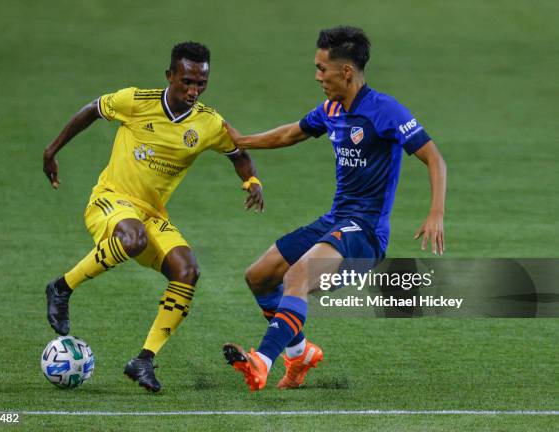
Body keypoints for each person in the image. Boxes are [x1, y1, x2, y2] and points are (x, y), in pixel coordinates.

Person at [222, 26, 446, 391]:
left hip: (366, 234)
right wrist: (242, 141)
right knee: (259, 275)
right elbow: (290, 133)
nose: (317, 76)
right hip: (336, 221)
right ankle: (299, 354)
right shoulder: (331, 109)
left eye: (322, 68)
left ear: (345, 71)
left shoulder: (385, 111)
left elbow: (434, 158)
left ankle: (261, 361)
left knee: (297, 276)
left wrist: (435, 211)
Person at [43, 42, 263, 393]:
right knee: (132, 239)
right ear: (170, 76)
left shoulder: (207, 123)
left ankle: (143, 359)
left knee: (187, 270)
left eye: (201, 84)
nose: (193, 90)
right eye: (187, 81)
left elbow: (238, 153)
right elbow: (91, 110)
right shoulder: (136, 101)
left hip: (151, 214)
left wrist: (251, 180)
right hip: (110, 201)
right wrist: (51, 151)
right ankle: (61, 287)